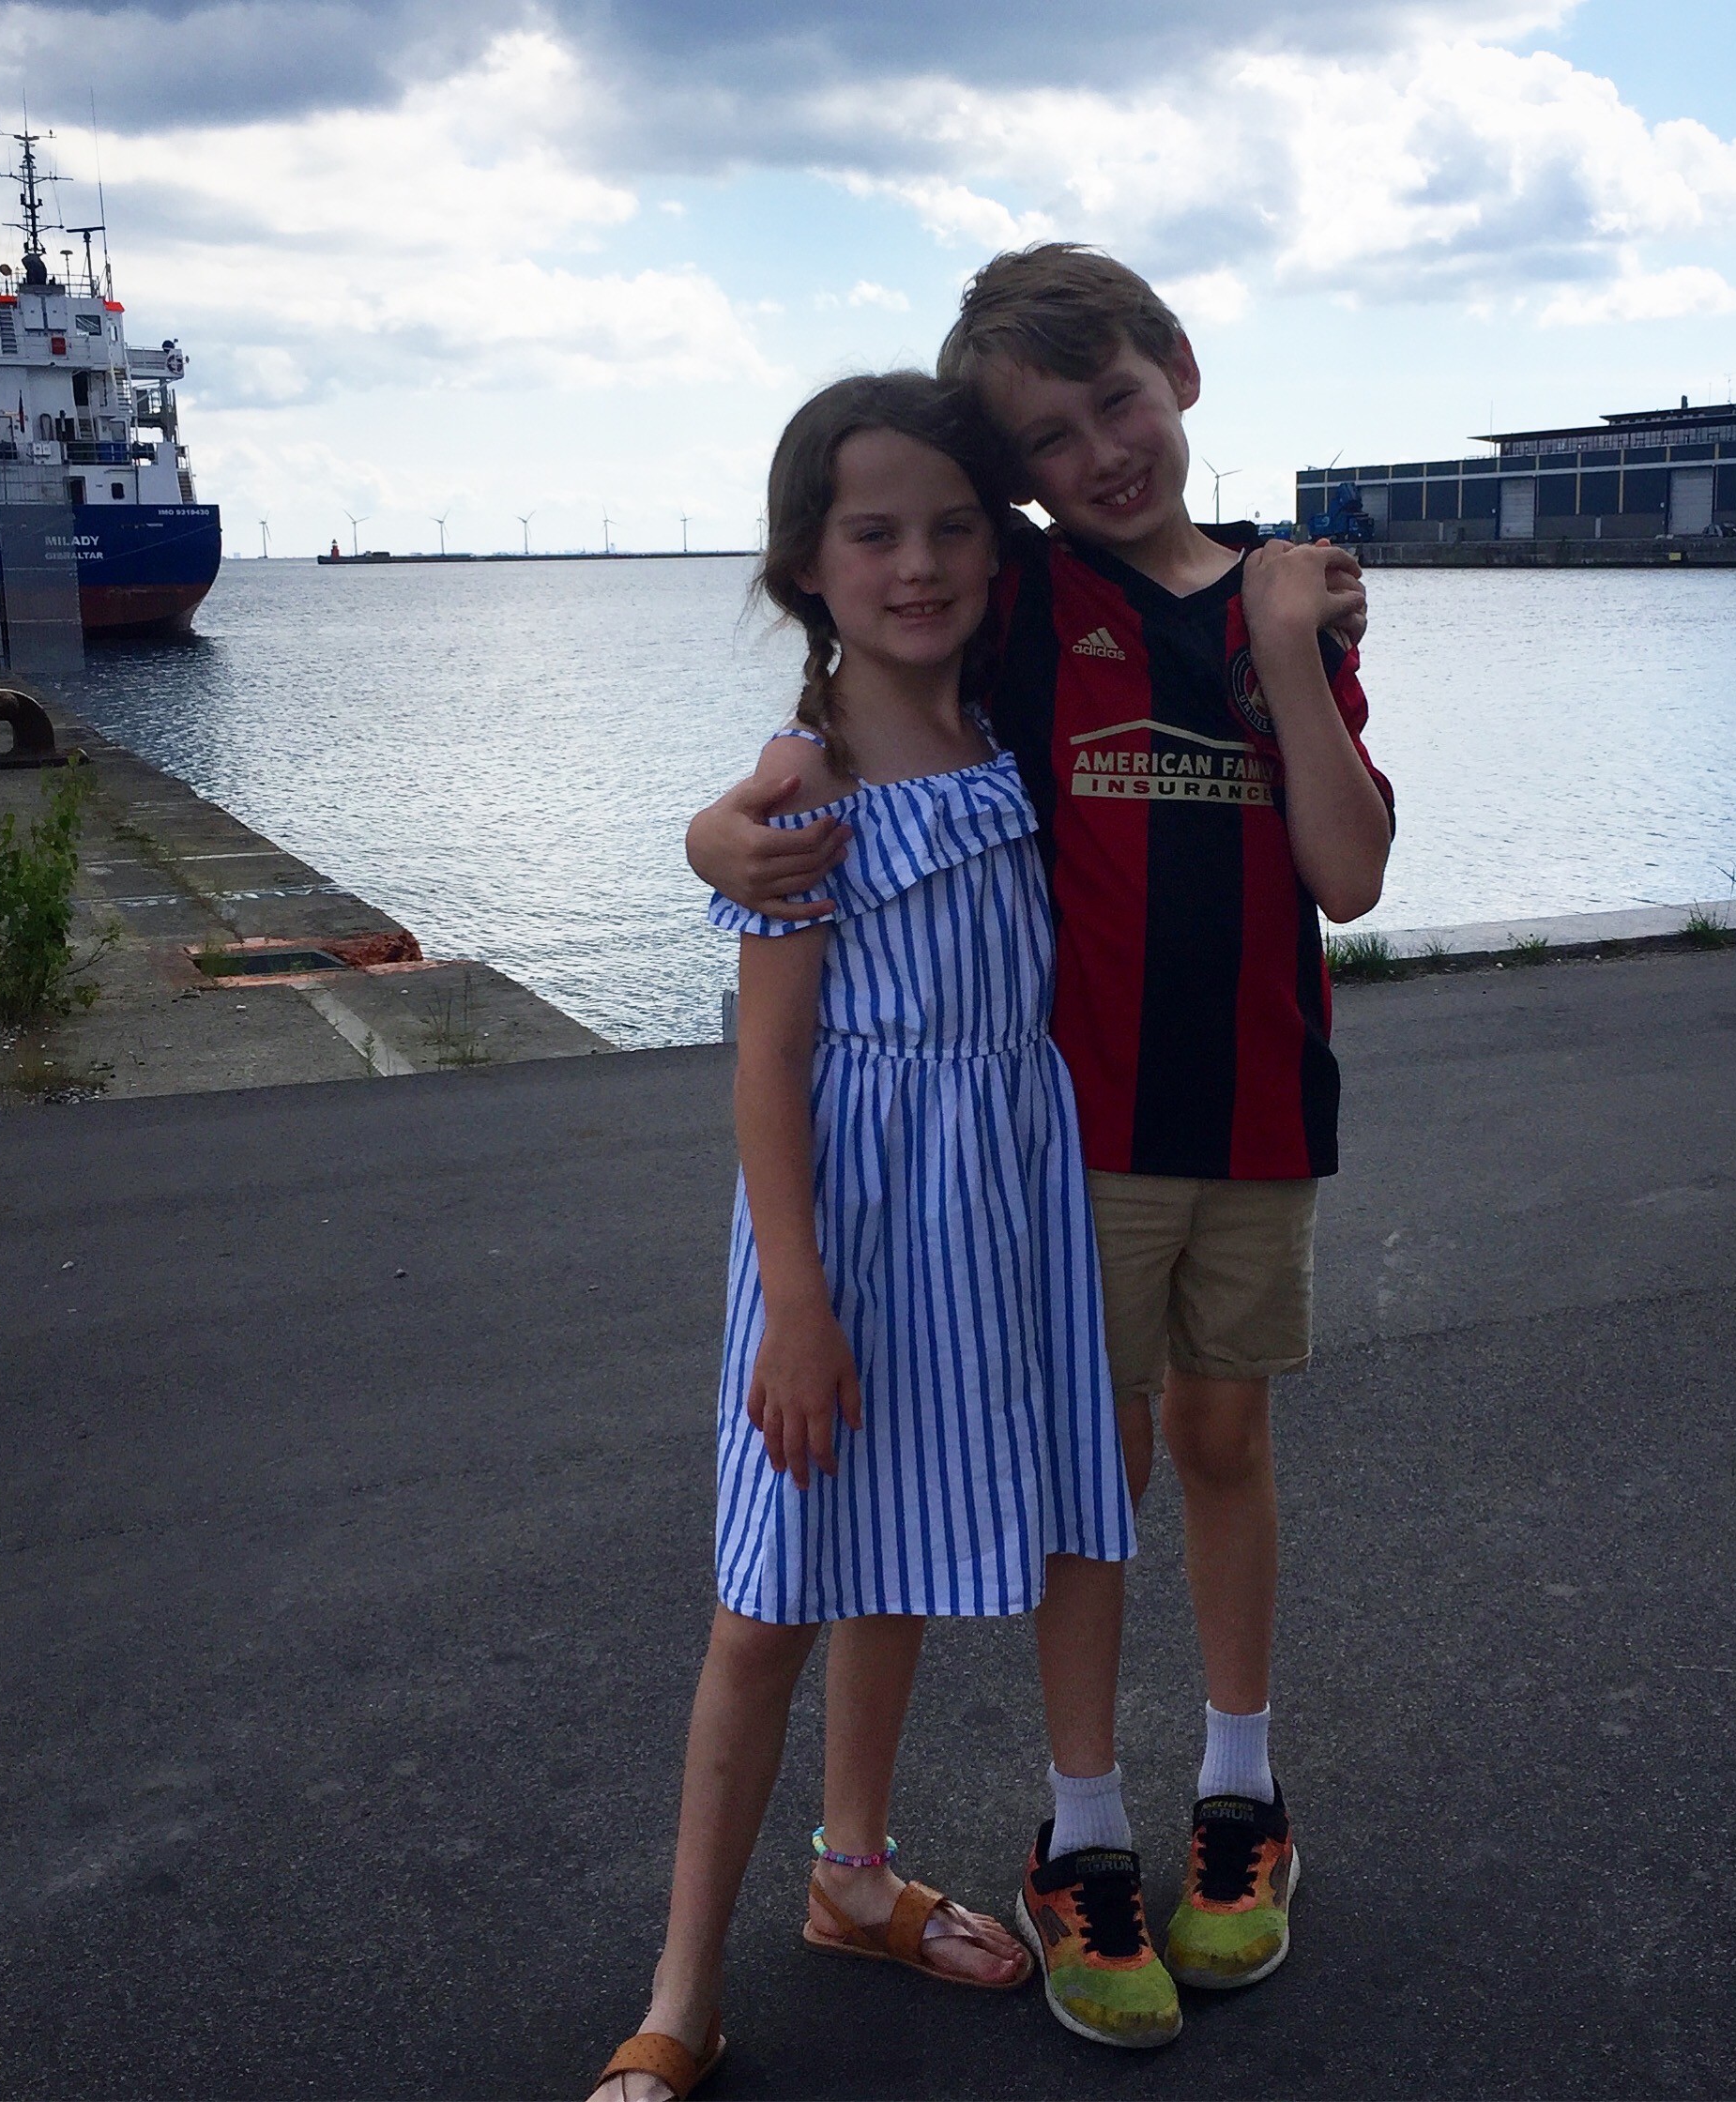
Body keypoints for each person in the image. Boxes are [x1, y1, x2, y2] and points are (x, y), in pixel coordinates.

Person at [688, 244, 1394, 2039]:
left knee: (1226, 1435)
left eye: (1120, 403)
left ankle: (1241, 1797)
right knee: (1103, 1467)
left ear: (1182, 372)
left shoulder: (1290, 599)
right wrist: (716, 834)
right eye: (1052, 440)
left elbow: (1349, 875)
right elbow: (862, 695)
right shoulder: (1025, 600)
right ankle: (1083, 1833)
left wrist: (1288, 651)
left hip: (1257, 1109)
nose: (1100, 453)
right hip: (1077, 1126)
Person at [589, 370, 1143, 2102]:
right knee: (770, 1601)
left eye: (954, 528)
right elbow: (767, 1068)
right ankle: (682, 1995)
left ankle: (852, 1876)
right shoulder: (806, 786)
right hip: (843, 1229)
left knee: (893, 1553)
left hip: (996, 1210)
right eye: (875, 533)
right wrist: (797, 1305)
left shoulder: (1006, 736)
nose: (920, 565)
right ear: (806, 566)